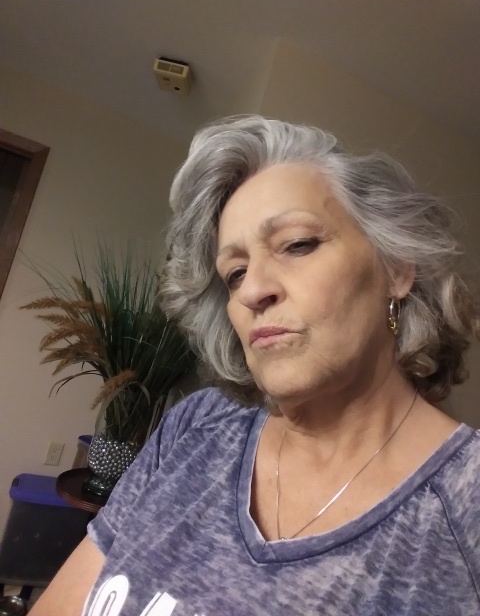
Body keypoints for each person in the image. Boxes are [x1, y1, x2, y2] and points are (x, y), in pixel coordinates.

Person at [31, 116, 480, 616]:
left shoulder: (467, 502)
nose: (252, 290)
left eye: (297, 244)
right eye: (236, 273)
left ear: (395, 268)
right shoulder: (200, 424)